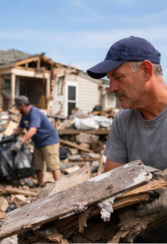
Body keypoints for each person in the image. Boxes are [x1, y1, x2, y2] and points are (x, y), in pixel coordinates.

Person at [87, 36, 167, 243]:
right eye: (109, 80)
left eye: (118, 77)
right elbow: (112, 183)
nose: (111, 88)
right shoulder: (123, 121)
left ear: (146, 71)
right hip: (142, 235)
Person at [11, 96, 61, 187]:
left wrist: (21, 142)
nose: (16, 108)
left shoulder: (34, 113)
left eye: (17, 106)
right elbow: (19, 129)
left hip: (49, 140)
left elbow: (32, 130)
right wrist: (10, 137)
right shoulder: (24, 115)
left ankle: (60, 187)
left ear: (22, 105)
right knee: (38, 165)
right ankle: (40, 184)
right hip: (38, 142)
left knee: (53, 165)